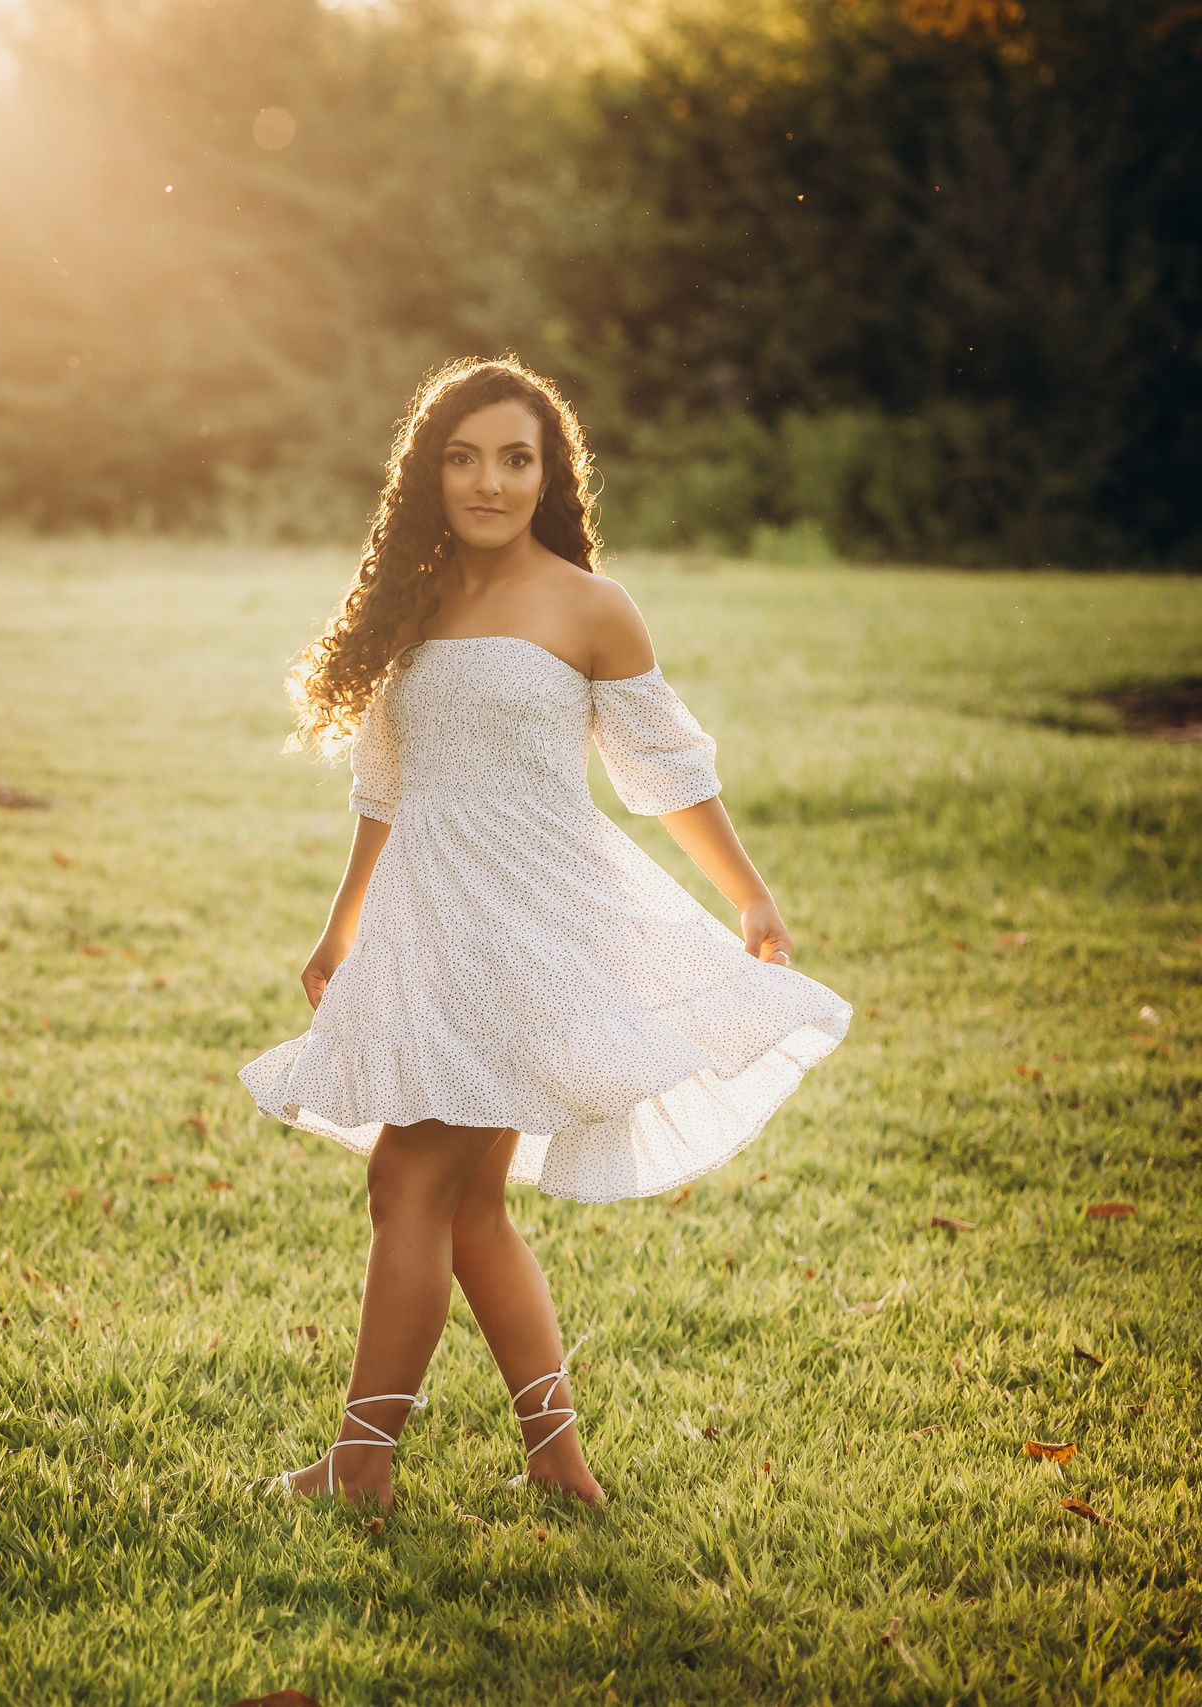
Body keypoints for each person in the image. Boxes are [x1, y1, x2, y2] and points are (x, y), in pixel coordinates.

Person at [239, 356, 852, 1509]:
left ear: (548, 473)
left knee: (406, 1179)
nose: (486, 481)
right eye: (461, 457)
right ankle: (561, 1469)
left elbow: (665, 772)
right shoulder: (414, 603)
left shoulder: (588, 606)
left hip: (529, 923)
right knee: (465, 1203)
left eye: (514, 458)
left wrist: (749, 895)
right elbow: (386, 786)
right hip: (431, 920)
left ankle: (360, 1470)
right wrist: (340, 931)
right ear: (429, 473)